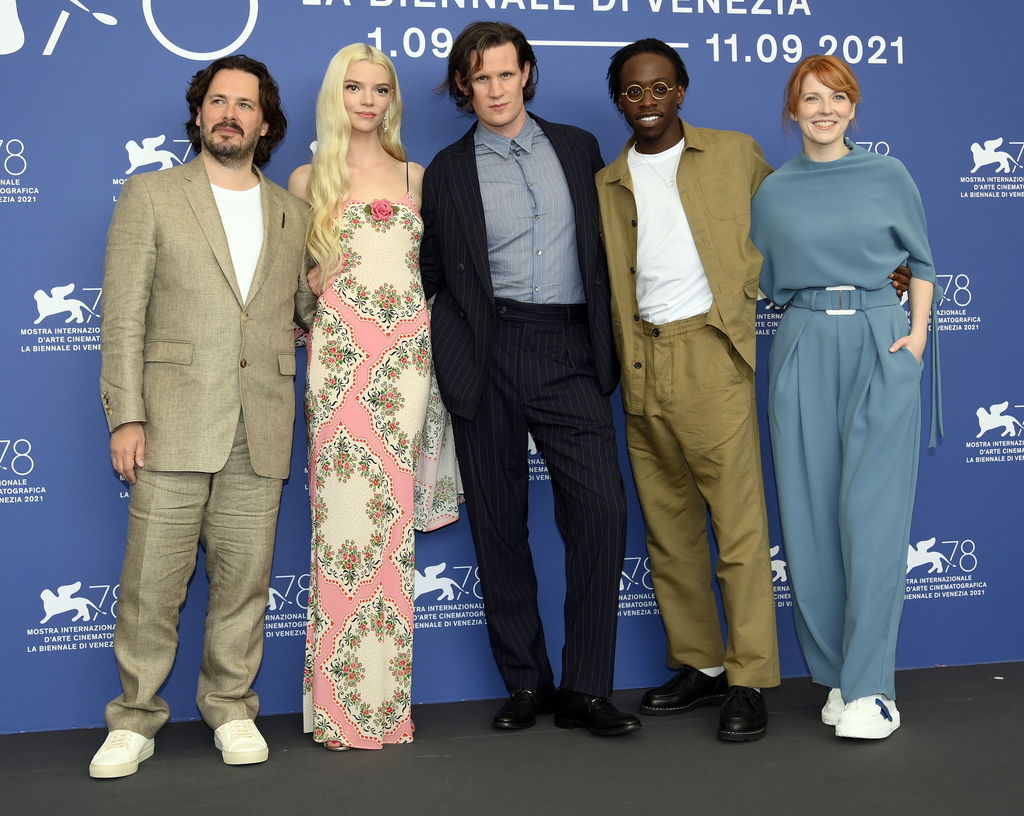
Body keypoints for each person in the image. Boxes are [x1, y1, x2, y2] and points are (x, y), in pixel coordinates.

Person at [91, 55, 316, 778]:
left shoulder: (293, 212)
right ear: (198, 115)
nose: (230, 114)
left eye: (245, 104)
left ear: (265, 123)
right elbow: (123, 317)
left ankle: (231, 707)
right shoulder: (151, 195)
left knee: (244, 584)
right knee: (150, 586)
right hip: (171, 423)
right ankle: (133, 719)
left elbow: (301, 312)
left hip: (262, 424)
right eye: (218, 101)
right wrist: (126, 416)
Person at [420, 21, 639, 737]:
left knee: (601, 510)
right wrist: (455, 346)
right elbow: (431, 274)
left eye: (505, 74)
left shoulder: (578, 148)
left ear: (527, 75)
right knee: (497, 524)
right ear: (464, 85)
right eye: (480, 78)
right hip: (486, 353)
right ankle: (525, 681)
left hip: (569, 346)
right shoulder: (447, 170)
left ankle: (586, 689)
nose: (495, 90)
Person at [750, 55, 941, 739]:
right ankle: (836, 677)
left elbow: (922, 262)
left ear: (854, 108)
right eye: (811, 98)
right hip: (802, 342)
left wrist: (916, 338)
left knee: (874, 518)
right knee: (806, 522)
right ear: (792, 110)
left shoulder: (888, 175)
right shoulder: (773, 192)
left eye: (837, 97)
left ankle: (872, 687)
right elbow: (761, 277)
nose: (824, 109)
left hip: (879, 340)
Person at [595, 39, 780, 742]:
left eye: (659, 87)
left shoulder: (735, 154)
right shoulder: (607, 183)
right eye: (633, 90)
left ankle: (750, 677)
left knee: (738, 528)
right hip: (640, 359)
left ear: (681, 91)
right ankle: (702, 665)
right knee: (670, 529)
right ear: (619, 100)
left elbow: (796, 219)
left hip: (710, 351)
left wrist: (869, 261)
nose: (647, 101)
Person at [289, 43, 460, 752]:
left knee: (390, 537)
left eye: (380, 89)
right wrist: (309, 293)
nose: (367, 100)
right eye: (354, 87)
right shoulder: (307, 180)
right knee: (341, 534)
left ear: (393, 98)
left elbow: (434, 275)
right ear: (336, 95)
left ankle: (384, 707)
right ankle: (338, 710)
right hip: (337, 367)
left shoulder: (418, 175)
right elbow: (296, 286)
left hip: (403, 371)